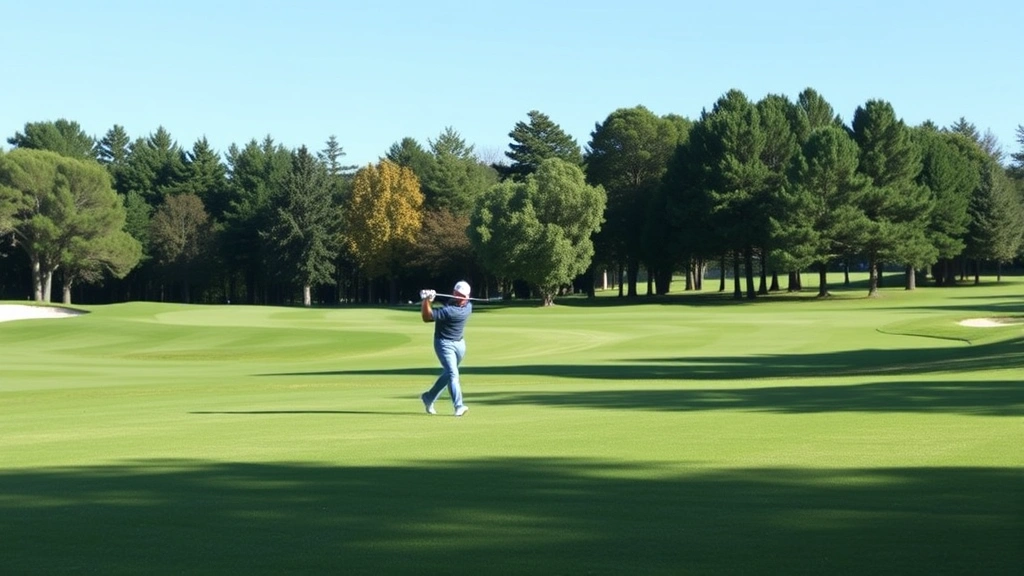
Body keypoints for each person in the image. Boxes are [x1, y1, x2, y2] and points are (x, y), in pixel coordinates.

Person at [419, 281, 473, 417]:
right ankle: (459, 406)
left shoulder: (453, 311)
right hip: (444, 344)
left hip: (459, 345)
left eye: (464, 296)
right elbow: (436, 311)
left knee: (449, 374)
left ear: (468, 296)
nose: (462, 299)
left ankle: (428, 397)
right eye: (459, 295)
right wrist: (431, 298)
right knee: (453, 374)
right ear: (454, 293)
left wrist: (426, 300)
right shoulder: (467, 306)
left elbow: (427, 317)